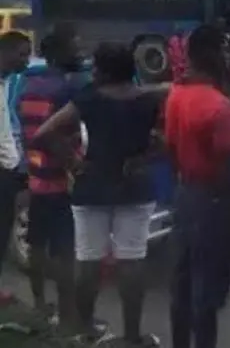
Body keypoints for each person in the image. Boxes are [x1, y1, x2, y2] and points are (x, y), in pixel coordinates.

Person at [33, 43, 162, 346]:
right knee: (131, 260)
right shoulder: (148, 99)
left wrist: (73, 161)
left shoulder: (88, 98)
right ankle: (132, 336)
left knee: (89, 260)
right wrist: (144, 158)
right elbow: (161, 140)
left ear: (102, 69)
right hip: (135, 186)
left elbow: (43, 134)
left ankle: (85, 329)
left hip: (92, 186)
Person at [165, 25, 230, 348]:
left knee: (182, 283)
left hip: (186, 194)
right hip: (214, 201)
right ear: (213, 54)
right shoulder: (219, 106)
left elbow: (171, 148)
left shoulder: (176, 94)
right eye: (225, 49)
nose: (228, 56)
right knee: (208, 291)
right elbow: (225, 167)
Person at [17, 29, 86, 327]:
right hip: (59, 178)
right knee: (63, 250)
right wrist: (73, 165)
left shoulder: (28, 85)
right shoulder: (65, 90)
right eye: (75, 47)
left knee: (36, 245)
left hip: (35, 176)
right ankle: (68, 314)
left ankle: (40, 305)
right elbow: (55, 136)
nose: (80, 53)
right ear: (59, 53)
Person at [0, 31, 31, 303]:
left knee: (3, 230)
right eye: (22, 54)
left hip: (8, 169)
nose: (26, 60)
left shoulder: (8, 82)